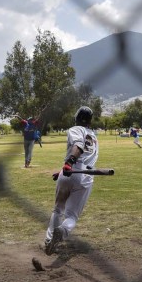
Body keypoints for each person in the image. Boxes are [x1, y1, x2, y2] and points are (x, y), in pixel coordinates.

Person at [44, 106, 98, 255]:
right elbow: (85, 151)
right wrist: (65, 168)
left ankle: (49, 240)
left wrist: (69, 163)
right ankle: (62, 231)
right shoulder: (93, 136)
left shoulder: (75, 129)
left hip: (69, 171)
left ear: (76, 118)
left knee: (57, 209)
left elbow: (78, 146)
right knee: (72, 215)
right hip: (85, 176)